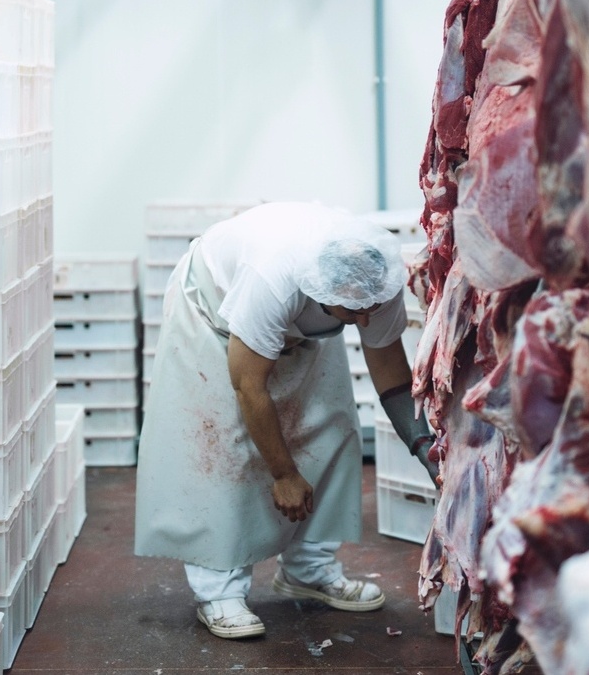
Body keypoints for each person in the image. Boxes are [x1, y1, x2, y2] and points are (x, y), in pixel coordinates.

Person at [134, 201, 437, 640]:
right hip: (213, 317)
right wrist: (283, 474)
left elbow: (391, 375)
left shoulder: (374, 284)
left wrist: (424, 446)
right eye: (354, 313)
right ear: (322, 295)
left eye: (371, 308)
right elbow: (249, 386)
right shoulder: (272, 282)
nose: (366, 320)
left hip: (301, 321)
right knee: (221, 450)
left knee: (329, 428)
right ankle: (219, 590)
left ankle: (308, 569)